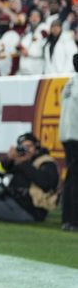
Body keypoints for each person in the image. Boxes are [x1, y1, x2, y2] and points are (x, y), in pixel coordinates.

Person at [58, 55, 78, 232]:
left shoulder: (70, 82)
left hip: (66, 134)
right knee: (75, 178)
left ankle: (67, 218)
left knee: (71, 177)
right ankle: (73, 220)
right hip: (76, 134)